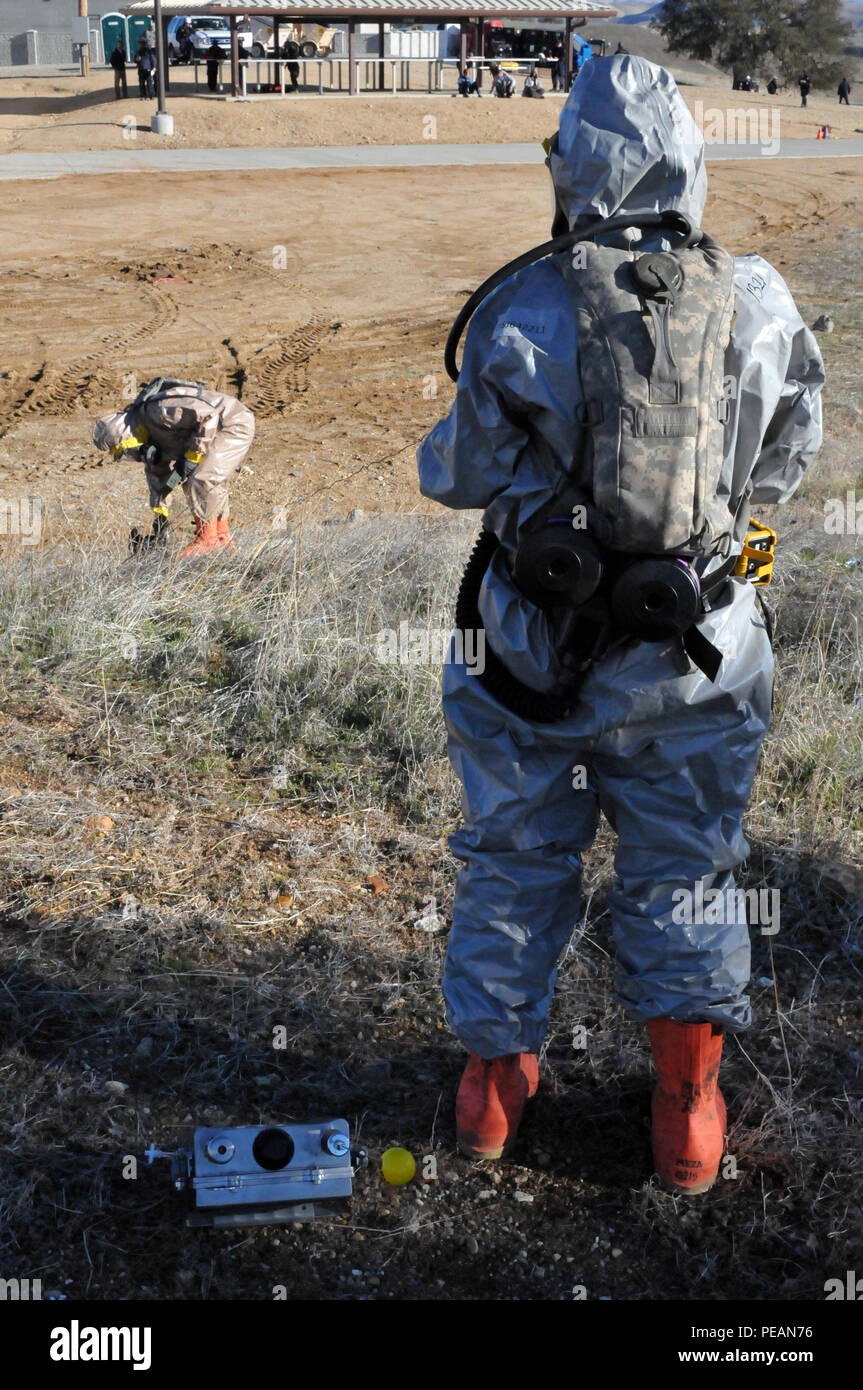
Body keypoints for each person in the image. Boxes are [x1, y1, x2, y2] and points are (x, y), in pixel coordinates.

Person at [417, 55, 824, 1192]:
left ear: (570, 167)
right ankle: (686, 1113)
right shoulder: (759, 296)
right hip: (695, 657)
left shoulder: (517, 303)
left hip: (525, 658)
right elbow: (784, 472)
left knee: (509, 858)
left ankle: (489, 1094)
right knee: (689, 871)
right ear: (689, 165)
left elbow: (456, 479)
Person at [93, 381, 255, 558]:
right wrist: (160, 516)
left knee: (202, 478)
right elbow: (160, 481)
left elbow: (208, 416)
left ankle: (208, 540)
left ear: (126, 438)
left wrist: (192, 456)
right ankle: (222, 538)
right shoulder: (149, 442)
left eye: (124, 450)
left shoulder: (158, 411)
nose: (130, 454)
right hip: (211, 432)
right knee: (197, 479)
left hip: (232, 422)